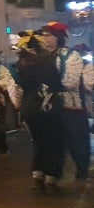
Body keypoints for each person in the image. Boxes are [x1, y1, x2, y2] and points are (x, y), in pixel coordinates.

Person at [10, 30, 67, 192]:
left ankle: (38, 177)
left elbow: (15, 91)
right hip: (49, 107)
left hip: (29, 110)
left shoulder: (18, 66)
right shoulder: (50, 60)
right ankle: (51, 178)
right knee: (54, 142)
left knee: (39, 143)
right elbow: (62, 82)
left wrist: (19, 107)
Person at [37, 23, 88, 182]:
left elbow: (71, 82)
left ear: (58, 37)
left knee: (76, 142)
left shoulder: (71, 55)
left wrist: (53, 86)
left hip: (71, 107)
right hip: (51, 106)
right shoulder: (44, 56)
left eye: (48, 35)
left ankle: (82, 170)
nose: (45, 39)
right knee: (54, 142)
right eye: (43, 36)